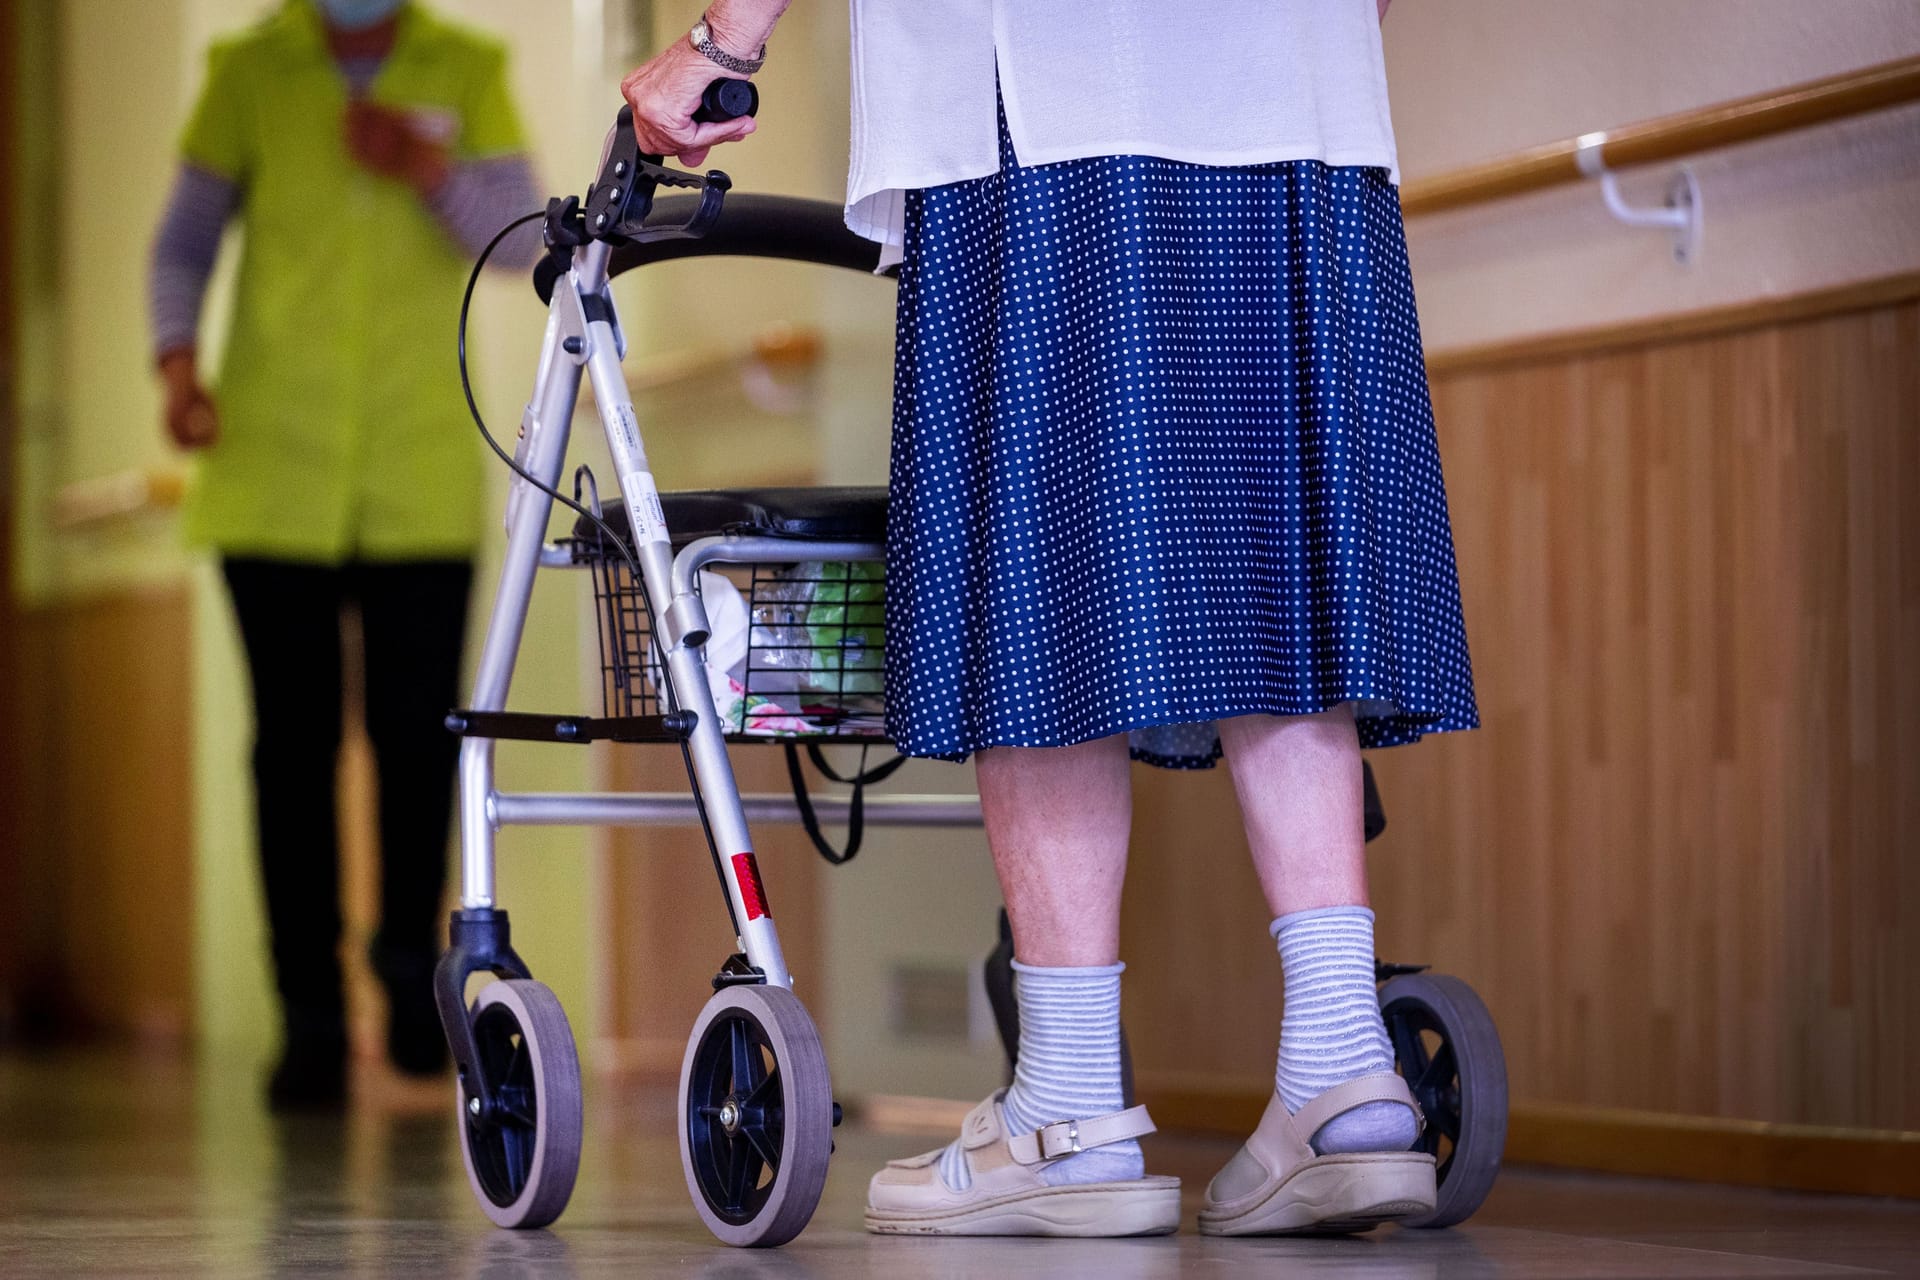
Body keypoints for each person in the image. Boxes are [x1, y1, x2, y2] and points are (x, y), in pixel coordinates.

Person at [622, 0, 1476, 1236]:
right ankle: (1344, 1070)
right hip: (1296, 88)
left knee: (1044, 571)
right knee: (1272, 551)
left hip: (1050, 88)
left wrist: (722, 39)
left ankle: (1067, 1109)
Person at [148, 0, 540, 1110]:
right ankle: (308, 1015)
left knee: (418, 746)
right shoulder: (250, 71)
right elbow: (181, 242)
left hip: (417, 472)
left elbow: (520, 237)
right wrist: (177, 363)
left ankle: (413, 983)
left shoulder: (466, 68)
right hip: (271, 469)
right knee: (292, 749)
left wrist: (430, 167)